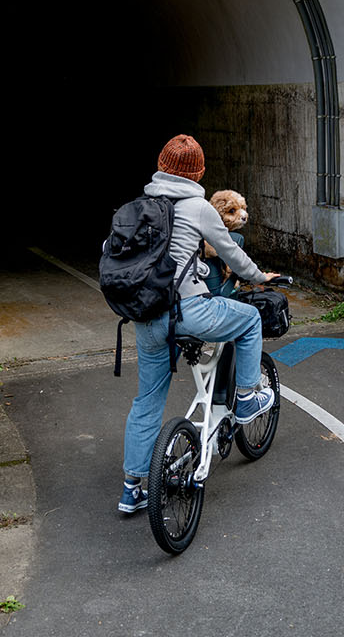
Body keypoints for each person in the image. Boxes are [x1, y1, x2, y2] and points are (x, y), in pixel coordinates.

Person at [119, 134, 280, 514]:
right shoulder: (198, 207)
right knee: (250, 319)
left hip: (147, 317)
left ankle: (131, 490)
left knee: (147, 400)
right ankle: (245, 398)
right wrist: (258, 276)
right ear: (199, 172)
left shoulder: (139, 206)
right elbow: (232, 253)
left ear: (160, 165)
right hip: (190, 311)